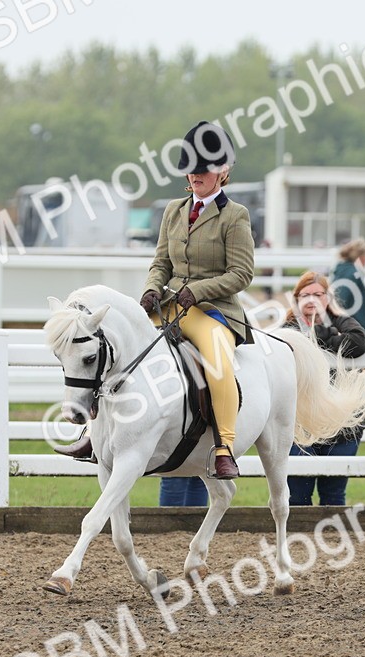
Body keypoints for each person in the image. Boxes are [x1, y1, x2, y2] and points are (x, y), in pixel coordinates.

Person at [56, 121, 254, 480]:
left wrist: (199, 291)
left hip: (213, 311)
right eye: (191, 169)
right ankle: (93, 434)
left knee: (218, 361)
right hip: (170, 306)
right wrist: (151, 289)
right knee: (117, 352)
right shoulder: (174, 211)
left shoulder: (234, 215)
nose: (196, 175)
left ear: (223, 171)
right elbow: (161, 262)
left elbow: (241, 274)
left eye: (204, 169)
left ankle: (224, 446)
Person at [282, 271, 365, 506]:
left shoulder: (342, 320)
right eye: (305, 295)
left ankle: (331, 530)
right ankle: (298, 531)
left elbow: (359, 341)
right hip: (300, 424)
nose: (311, 300)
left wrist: (321, 336)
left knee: (333, 495)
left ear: (328, 298)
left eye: (318, 294)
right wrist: (333, 337)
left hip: (342, 423)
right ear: (296, 299)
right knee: (297, 495)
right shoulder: (288, 328)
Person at [330, 238, 365, 331]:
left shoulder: (347, 270)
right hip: (354, 326)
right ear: (359, 256)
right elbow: (341, 300)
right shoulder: (352, 273)